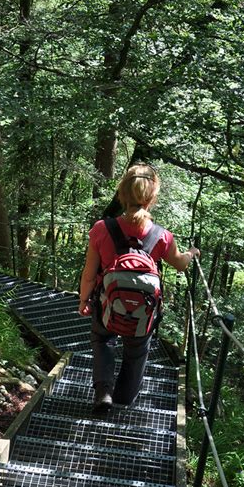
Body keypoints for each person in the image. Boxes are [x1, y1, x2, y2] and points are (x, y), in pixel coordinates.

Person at [79, 164, 200, 413]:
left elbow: (89, 274)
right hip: (142, 313)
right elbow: (180, 264)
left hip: (106, 304)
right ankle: (123, 400)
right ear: (152, 198)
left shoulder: (102, 229)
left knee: (102, 340)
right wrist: (191, 253)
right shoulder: (162, 236)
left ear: (121, 194)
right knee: (136, 352)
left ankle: (103, 391)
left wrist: (84, 301)